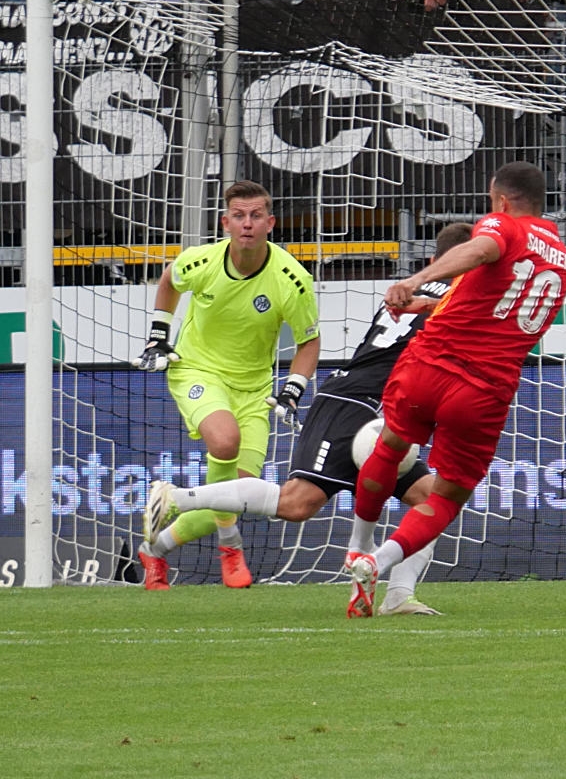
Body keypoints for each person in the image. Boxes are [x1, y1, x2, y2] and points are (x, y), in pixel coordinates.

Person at [142, 223, 473, 615]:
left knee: (432, 499)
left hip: (382, 408)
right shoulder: (463, 296)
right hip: (354, 404)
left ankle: (399, 594)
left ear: (434, 260)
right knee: (297, 504)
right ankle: (177, 498)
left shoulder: (417, 288)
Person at [345, 162, 566, 618]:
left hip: (428, 366)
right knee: (447, 496)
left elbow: (482, 249)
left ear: (501, 200)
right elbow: (496, 305)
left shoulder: (502, 225)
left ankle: (357, 547)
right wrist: (431, 303)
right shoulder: (563, 262)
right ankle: (378, 562)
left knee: (389, 445)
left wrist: (413, 280)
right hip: (483, 390)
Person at [133, 180, 321, 590]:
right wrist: (159, 334)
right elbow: (169, 280)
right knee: (224, 440)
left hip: (254, 390)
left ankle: (154, 549)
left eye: (256, 216)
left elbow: (309, 341)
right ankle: (230, 544)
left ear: (270, 223)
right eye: (239, 216)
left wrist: (293, 388)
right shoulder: (201, 262)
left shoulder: (292, 279)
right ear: (225, 223)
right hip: (198, 371)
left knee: (235, 494)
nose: (247, 224)